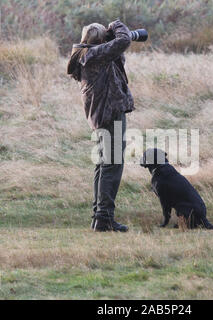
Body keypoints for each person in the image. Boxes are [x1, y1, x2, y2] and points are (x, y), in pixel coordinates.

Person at [67, 20, 134, 232]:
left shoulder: (86, 54)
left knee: (103, 164)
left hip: (100, 116)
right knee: (112, 165)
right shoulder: (94, 55)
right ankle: (104, 218)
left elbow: (118, 55)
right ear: (101, 41)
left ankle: (99, 216)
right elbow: (124, 41)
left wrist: (110, 37)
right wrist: (117, 25)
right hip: (109, 115)